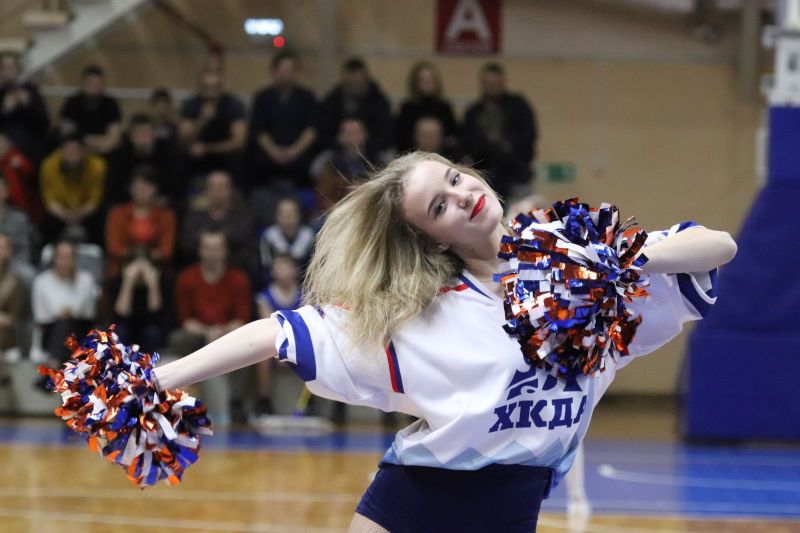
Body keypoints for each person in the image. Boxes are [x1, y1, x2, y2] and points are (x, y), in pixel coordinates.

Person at [152, 152, 737, 531]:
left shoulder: (581, 264)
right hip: (410, 504)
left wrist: (609, 262)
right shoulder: (425, 310)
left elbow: (718, 247)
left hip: (512, 509)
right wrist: (158, 379)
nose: (462, 195)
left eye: (455, 179)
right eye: (440, 206)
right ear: (432, 240)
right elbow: (277, 333)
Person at [463, 62, 538, 201]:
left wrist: (506, 144)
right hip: (487, 178)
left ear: (503, 82)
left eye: (495, 83)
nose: (492, 87)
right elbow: (468, 143)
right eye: (488, 83)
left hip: (518, 174)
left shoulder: (518, 105)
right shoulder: (474, 112)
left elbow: (529, 135)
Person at [248, 50, 319, 191]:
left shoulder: (307, 97)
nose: (287, 74)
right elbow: (259, 130)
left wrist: (294, 151)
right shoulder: (262, 97)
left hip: (299, 153)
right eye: (283, 69)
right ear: (274, 71)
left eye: (290, 70)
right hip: (269, 154)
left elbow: (311, 129)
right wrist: (274, 151)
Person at [31, 239, 98, 366]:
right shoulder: (41, 281)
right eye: (61, 257)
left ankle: (55, 365)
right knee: (63, 325)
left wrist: (69, 313)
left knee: (67, 324)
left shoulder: (86, 279)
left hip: (80, 328)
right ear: (54, 259)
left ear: (75, 259)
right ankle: (61, 365)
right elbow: (40, 316)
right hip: (50, 330)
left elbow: (87, 312)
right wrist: (60, 314)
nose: (65, 262)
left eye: (69, 257)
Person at [253, 253, 303, 415]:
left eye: (285, 267)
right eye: (278, 268)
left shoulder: (304, 295)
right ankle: (264, 400)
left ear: (294, 270)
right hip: (274, 341)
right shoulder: (264, 296)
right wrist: (282, 351)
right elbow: (268, 325)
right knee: (262, 357)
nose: (282, 272)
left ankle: (308, 402)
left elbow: (305, 326)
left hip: (298, 341)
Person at [104, 168, 176, 279]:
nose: (142, 191)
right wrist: (136, 254)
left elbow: (166, 251)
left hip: (157, 269)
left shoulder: (166, 216)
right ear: (130, 189)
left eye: (147, 187)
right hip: (121, 269)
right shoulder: (117, 214)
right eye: (138, 186)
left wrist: (146, 257)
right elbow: (114, 248)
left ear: (155, 189)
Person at [179, 68, 247, 182]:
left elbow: (239, 142)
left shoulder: (234, 105)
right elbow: (183, 141)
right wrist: (202, 121)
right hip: (198, 166)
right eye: (207, 87)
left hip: (228, 165)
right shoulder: (191, 105)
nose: (211, 91)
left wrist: (207, 149)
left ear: (221, 86)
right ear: (200, 86)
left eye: (215, 86)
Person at [39, 134, 106, 244]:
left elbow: (95, 200)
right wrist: (65, 214)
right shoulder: (49, 165)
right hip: (60, 212)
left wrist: (79, 214)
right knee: (46, 220)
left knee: (101, 216)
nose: (72, 155)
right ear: (61, 151)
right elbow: (49, 200)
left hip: (85, 211)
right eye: (68, 151)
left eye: (76, 151)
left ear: (84, 152)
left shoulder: (97, 166)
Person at [319, 58, 393, 158]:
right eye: (351, 83)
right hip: (337, 152)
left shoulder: (379, 102)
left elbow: (385, 134)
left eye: (358, 82)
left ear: (365, 80)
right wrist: (339, 144)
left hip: (372, 152)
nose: (354, 85)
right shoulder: (332, 101)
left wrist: (365, 146)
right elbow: (324, 131)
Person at [56, 65, 122, 155]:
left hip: (104, 150)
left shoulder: (111, 104)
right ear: (82, 84)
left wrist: (97, 144)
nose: (93, 86)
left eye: (97, 83)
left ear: (103, 85)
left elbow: (114, 136)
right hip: (76, 150)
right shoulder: (72, 102)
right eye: (90, 83)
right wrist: (86, 143)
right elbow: (66, 132)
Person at [395, 62, 459, 155]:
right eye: (424, 80)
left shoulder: (444, 108)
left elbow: (453, 138)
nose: (428, 83)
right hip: (413, 157)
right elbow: (401, 139)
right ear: (415, 83)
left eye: (432, 79)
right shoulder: (407, 109)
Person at [0, 53, 50, 161]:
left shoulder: (30, 90)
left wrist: (28, 105)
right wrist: (5, 110)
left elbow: (45, 122)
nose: (8, 70)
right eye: (4, 67)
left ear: (18, 69)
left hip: (34, 144)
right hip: (7, 149)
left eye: (11, 66)